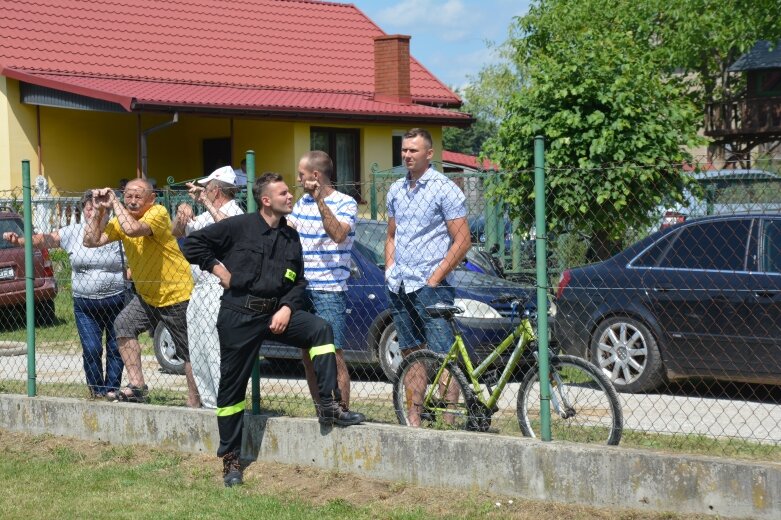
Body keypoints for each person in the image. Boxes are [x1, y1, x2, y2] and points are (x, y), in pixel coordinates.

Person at [181, 172, 365, 487]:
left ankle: (328, 405)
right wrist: (218, 269)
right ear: (266, 200)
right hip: (239, 315)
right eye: (283, 193)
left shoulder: (291, 237)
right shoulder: (239, 227)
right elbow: (192, 243)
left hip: (277, 313)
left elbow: (299, 281)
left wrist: (287, 307)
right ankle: (231, 460)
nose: (290, 197)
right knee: (231, 390)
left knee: (320, 329)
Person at [83, 178, 198, 407]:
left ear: (151, 199)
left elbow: (134, 230)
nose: (132, 202)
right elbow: (90, 241)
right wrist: (98, 210)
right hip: (147, 296)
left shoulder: (158, 212)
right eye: (128, 196)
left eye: (138, 197)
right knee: (124, 325)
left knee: (187, 351)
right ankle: (137, 386)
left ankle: (196, 399)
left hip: (176, 294)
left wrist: (115, 202)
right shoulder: (120, 219)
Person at [3, 190, 128, 399]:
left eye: (99, 208)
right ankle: (97, 390)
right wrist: (20, 241)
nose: (93, 212)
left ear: (107, 211)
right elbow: (45, 240)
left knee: (117, 347)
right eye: (89, 208)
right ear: (84, 211)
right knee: (91, 348)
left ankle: (113, 389)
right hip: (85, 304)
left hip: (116, 300)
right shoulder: (73, 232)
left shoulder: (117, 231)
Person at [385, 128, 471, 427]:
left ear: (429, 154)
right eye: (405, 150)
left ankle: (449, 420)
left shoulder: (445, 189)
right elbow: (392, 235)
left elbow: (462, 241)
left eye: (414, 150)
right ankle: (414, 418)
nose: (407, 155)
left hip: (431, 286)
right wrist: (389, 268)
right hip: (400, 283)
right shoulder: (395, 189)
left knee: (443, 354)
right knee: (410, 352)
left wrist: (435, 278)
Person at [288, 151, 355, 412]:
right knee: (307, 354)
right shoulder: (301, 203)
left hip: (329, 289)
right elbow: (288, 231)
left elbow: (338, 234)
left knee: (334, 355)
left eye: (301, 175)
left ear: (315, 176)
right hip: (303, 287)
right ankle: (321, 410)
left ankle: (343, 410)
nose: (298, 179)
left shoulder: (346, 203)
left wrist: (319, 202)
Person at [172, 166, 243, 409]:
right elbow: (176, 233)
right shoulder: (204, 215)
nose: (202, 191)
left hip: (219, 286)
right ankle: (209, 401)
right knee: (199, 346)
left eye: (206, 188)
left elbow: (230, 231)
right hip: (199, 288)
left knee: (215, 347)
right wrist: (182, 214)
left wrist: (205, 203)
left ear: (215, 190)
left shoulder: (235, 211)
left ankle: (224, 402)